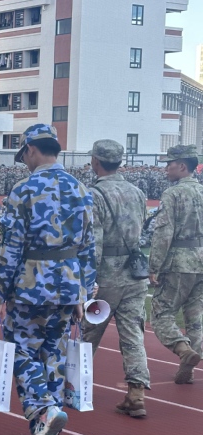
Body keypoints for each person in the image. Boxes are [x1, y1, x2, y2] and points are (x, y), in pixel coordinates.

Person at [0, 124, 95, 435]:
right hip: (69, 284)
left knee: (20, 350)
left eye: (24, 154)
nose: (24, 160)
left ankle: (45, 411)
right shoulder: (80, 187)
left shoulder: (24, 189)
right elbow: (89, 246)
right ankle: (45, 433)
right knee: (53, 354)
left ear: (31, 150)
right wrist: (84, 293)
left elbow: (11, 247)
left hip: (31, 285)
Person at [82, 140, 150, 416]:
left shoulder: (94, 194)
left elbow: (93, 243)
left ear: (96, 161)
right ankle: (136, 393)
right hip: (134, 274)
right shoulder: (138, 192)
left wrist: (88, 280)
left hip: (106, 276)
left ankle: (75, 385)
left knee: (88, 333)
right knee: (133, 335)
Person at [149, 144, 203, 384]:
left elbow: (163, 233)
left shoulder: (173, 194)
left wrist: (154, 266)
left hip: (179, 262)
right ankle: (187, 369)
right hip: (200, 260)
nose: (166, 169)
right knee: (195, 317)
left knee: (161, 314)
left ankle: (183, 349)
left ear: (182, 166)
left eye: (169, 164)